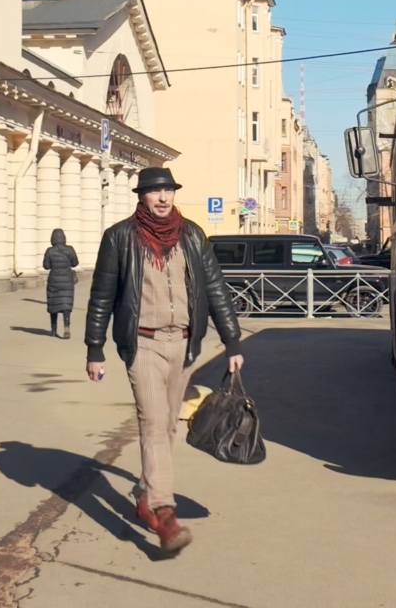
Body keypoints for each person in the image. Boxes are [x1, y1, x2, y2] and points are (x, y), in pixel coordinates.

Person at [84, 167, 243, 557]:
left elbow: (214, 287)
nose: (162, 198)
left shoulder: (192, 235)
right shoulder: (120, 237)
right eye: (155, 191)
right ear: (141, 196)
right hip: (144, 345)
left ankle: (144, 492)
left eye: (168, 190)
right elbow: (102, 294)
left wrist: (232, 340)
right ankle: (163, 512)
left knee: (169, 424)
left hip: (185, 345)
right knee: (153, 423)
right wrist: (94, 347)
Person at [41, 228, 79, 339]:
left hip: (54, 281)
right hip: (67, 281)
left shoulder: (50, 251)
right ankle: (66, 327)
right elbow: (75, 264)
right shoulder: (70, 249)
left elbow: (46, 266)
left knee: (54, 304)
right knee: (66, 304)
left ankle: (53, 329)